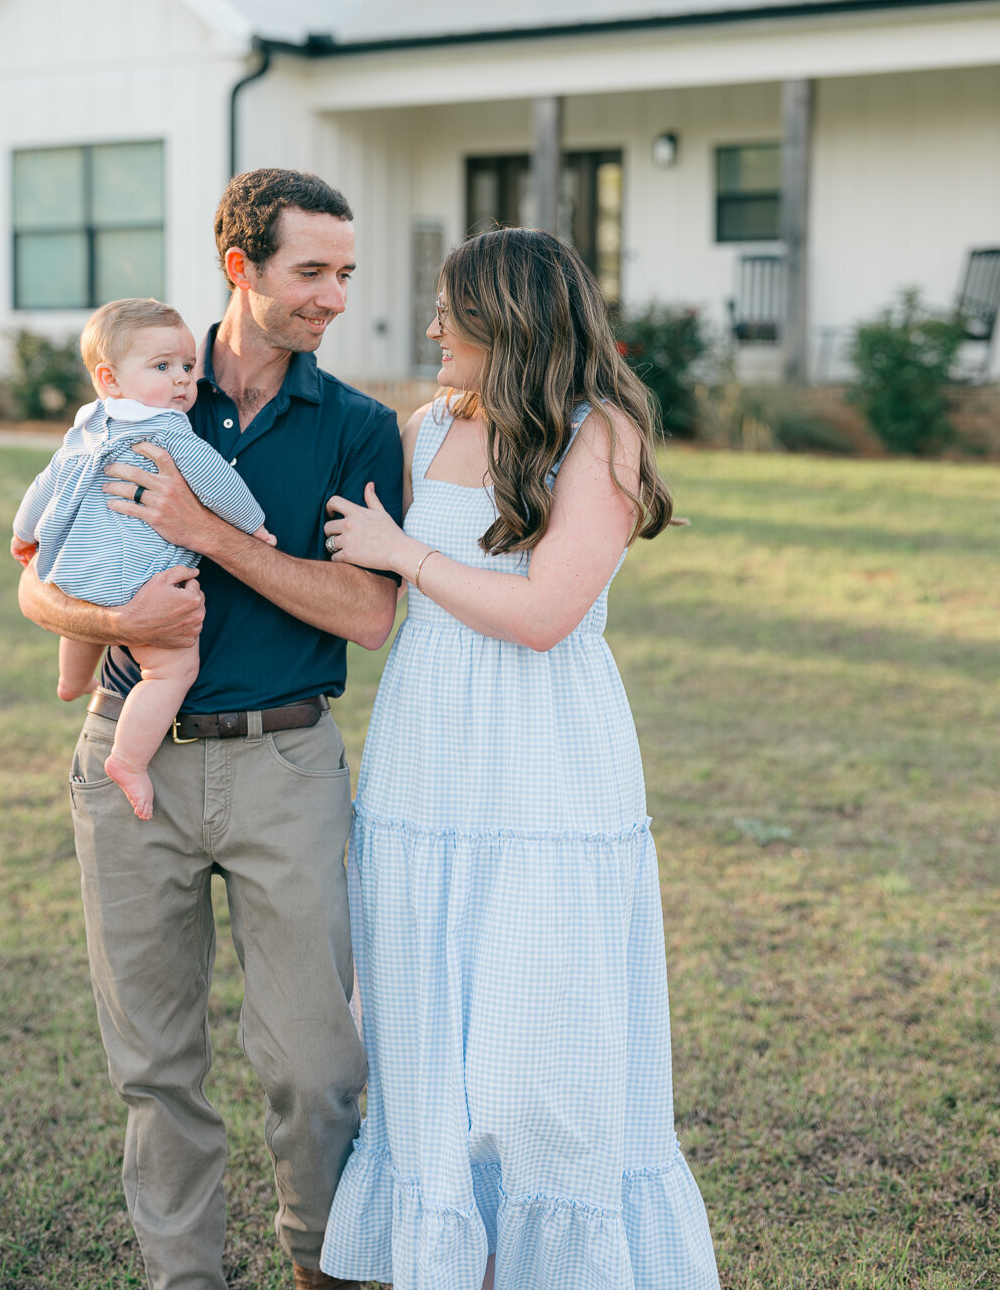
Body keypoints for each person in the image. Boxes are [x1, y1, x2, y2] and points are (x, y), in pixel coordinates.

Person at [15, 169, 402, 1290]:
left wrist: (210, 534)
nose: (334, 296)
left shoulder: (357, 427)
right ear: (243, 267)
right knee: (155, 1066)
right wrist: (112, 617)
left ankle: (321, 1268)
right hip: (127, 761)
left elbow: (369, 615)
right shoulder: (135, 395)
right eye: (310, 272)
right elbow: (37, 580)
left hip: (287, 763)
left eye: (345, 273)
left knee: (319, 1065)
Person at [318, 226, 720, 1290]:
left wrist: (407, 552)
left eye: (454, 309)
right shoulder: (419, 430)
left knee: (536, 1038)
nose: (435, 326)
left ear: (513, 321)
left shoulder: (601, 437)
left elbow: (546, 612)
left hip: (544, 758)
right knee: (424, 1020)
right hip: (426, 753)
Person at [11, 297, 274, 821]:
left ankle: (70, 681)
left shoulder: (87, 429)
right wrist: (254, 526)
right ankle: (129, 760)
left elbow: (45, 485)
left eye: (186, 367)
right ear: (109, 377)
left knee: (81, 615)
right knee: (170, 670)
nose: (181, 381)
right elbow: (220, 484)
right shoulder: (170, 433)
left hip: (77, 569)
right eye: (162, 367)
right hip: (141, 583)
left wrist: (23, 533)